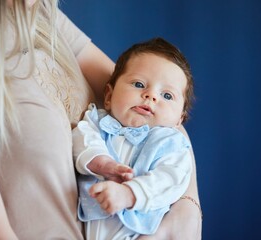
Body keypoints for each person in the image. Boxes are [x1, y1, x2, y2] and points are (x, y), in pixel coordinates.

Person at [0, 0, 201, 239]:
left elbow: (155, 112)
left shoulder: (39, 10)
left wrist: (186, 210)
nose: (151, 96)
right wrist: (100, 162)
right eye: (142, 87)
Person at [73, 37, 195, 240]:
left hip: (141, 233)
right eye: (139, 84)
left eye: (166, 95)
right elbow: (81, 137)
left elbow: (170, 179)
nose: (151, 95)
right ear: (109, 96)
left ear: (178, 120)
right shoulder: (98, 122)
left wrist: (130, 193)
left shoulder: (171, 145)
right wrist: (102, 162)